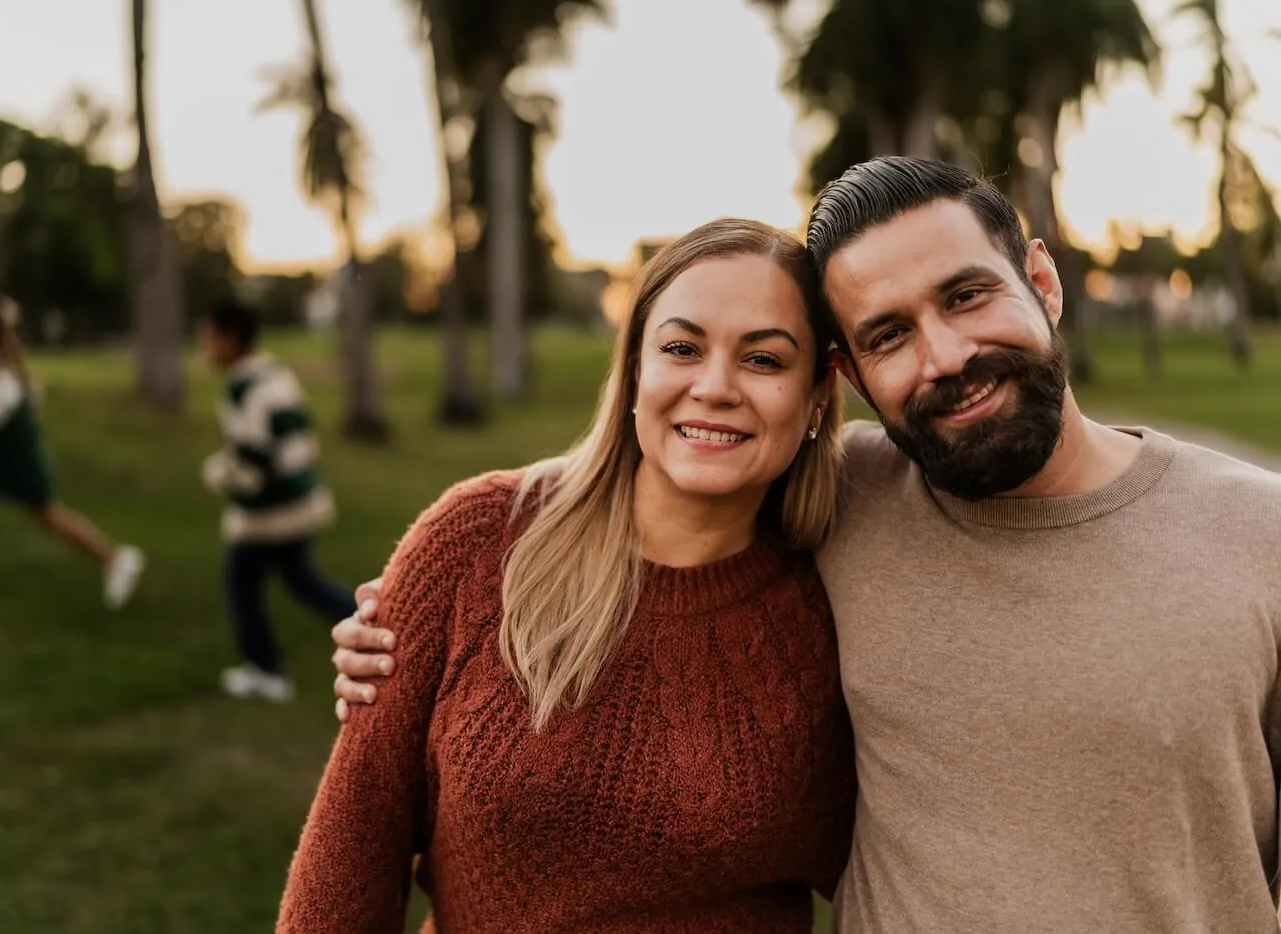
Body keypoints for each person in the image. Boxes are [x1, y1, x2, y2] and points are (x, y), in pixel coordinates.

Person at [329, 157, 1281, 933]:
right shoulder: (844, 505)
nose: (944, 357)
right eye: (889, 334)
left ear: (1041, 279)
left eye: (966, 295)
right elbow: (678, 462)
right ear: (852, 374)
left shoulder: (1260, 536)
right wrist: (414, 613)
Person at [276, 219, 857, 933]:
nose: (715, 387)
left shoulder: (839, 602)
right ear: (636, 371)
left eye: (764, 360)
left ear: (818, 393)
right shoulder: (479, 541)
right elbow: (353, 844)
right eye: (681, 348)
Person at [0, 290, 145, 608]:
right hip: (1, 449)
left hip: (15, 450)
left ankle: (116, 559)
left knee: (45, 513)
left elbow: (2, 404)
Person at [199, 299, 357, 703]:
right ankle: (382, 629)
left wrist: (218, 475)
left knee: (242, 585)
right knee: (303, 582)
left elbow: (253, 463)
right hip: (301, 501)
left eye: (209, 337)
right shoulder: (274, 374)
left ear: (231, 340)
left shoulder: (241, 388)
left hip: (269, 513)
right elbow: (299, 441)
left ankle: (267, 671)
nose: (204, 346)